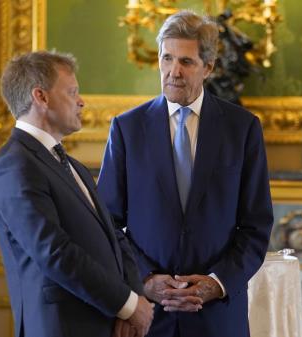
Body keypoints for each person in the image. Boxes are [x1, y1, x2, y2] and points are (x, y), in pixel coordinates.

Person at [97, 10, 274, 337]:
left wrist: (216, 283)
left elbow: (256, 224)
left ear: (208, 67)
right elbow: (107, 223)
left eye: (186, 62)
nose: (173, 72)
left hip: (218, 317)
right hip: (147, 315)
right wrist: (147, 280)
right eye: (167, 58)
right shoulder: (127, 129)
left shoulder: (242, 129)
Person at [0, 50, 154, 337]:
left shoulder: (71, 165)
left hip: (109, 323)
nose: (81, 101)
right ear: (41, 97)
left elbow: (114, 234)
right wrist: (127, 305)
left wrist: (134, 300)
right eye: (72, 91)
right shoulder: (14, 165)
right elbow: (54, 252)